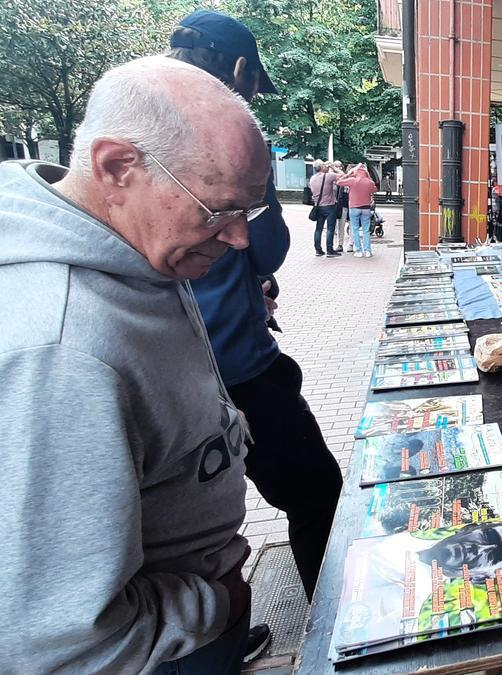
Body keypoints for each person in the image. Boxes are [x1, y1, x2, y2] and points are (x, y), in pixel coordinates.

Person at [0, 56, 265, 673]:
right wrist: (212, 607)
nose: (239, 238)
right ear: (118, 167)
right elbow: (44, 642)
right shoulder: (49, 353)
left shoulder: (132, 255)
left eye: (246, 210)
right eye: (218, 208)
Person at [168, 9, 343, 618]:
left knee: (189, 523)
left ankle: (214, 633)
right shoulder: (228, 135)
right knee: (317, 490)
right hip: (236, 365)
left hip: (184, 369)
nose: (230, 235)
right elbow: (264, 246)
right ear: (240, 69)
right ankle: (332, 619)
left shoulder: (142, 124)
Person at [338, 163, 378, 257]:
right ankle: (367, 251)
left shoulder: (352, 180)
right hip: (366, 208)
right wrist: (368, 177)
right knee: (366, 230)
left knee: (355, 229)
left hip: (354, 207)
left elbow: (339, 182)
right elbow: (374, 189)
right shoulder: (369, 182)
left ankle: (358, 251)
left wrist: (349, 174)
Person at [310, 159, 340, 257]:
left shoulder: (312, 178)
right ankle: (329, 250)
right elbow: (343, 175)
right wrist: (333, 167)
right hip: (329, 206)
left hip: (318, 206)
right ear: (322, 167)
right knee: (330, 229)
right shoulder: (328, 176)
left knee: (318, 228)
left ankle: (318, 250)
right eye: (324, 165)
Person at [331, 160, 351, 253]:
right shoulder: (331, 178)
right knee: (339, 226)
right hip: (338, 205)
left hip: (348, 204)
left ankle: (349, 244)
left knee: (348, 225)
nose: (337, 168)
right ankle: (339, 244)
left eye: (338, 166)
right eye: (335, 166)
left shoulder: (346, 178)